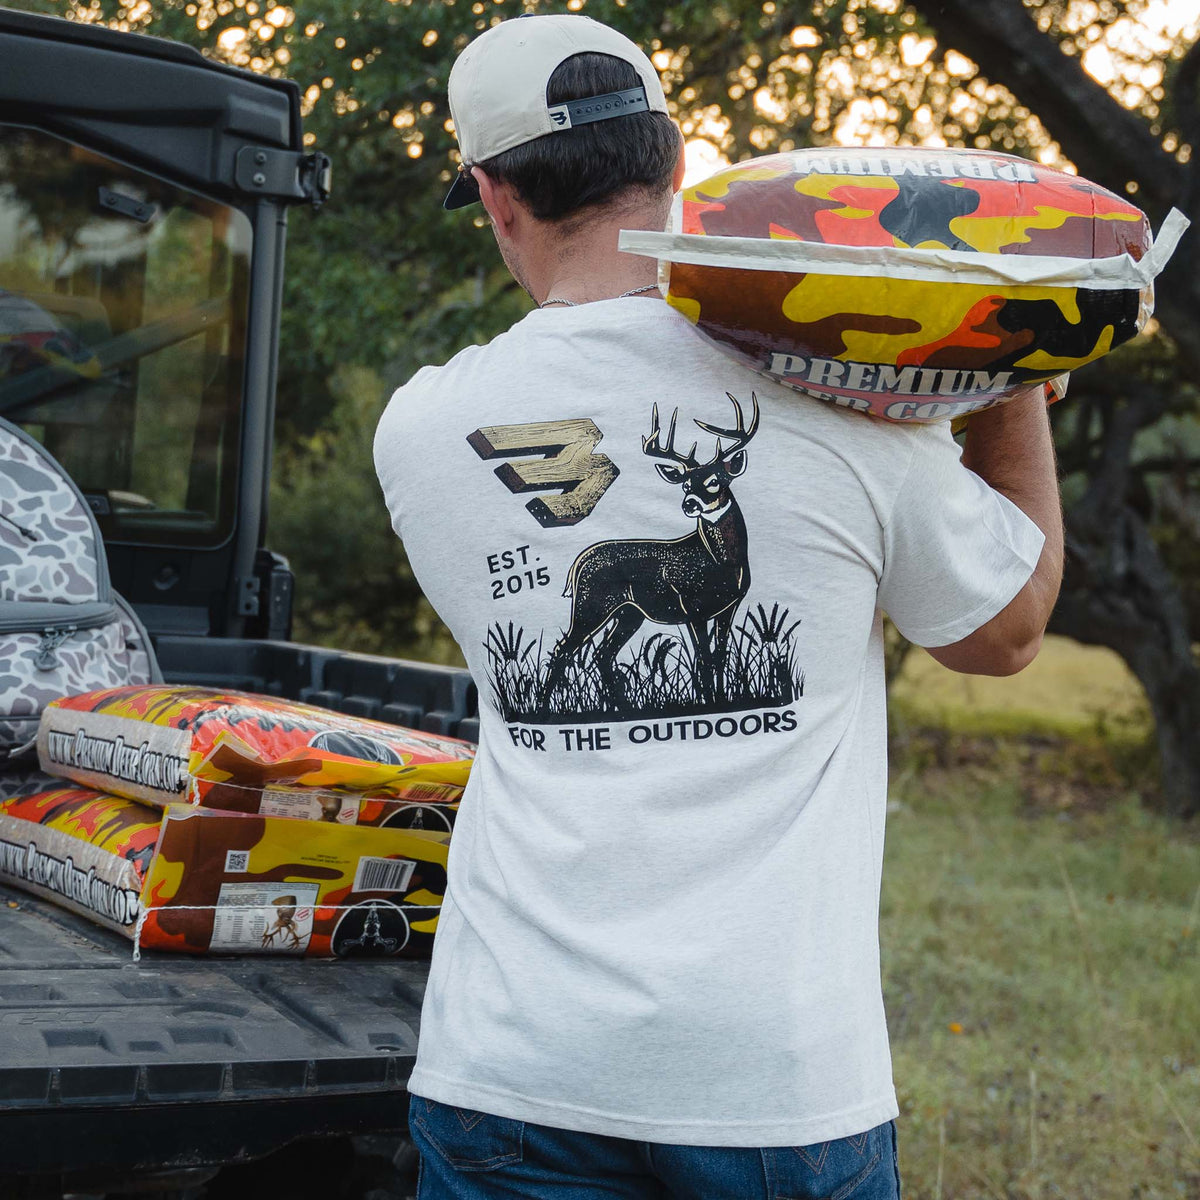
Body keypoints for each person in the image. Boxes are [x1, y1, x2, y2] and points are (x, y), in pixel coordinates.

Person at [374, 13, 1063, 1198]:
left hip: (509, 1071)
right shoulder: (847, 406)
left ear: (495, 198)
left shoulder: (421, 427)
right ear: (678, 163)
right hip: (773, 1084)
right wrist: (1007, 381)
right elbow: (1007, 633)